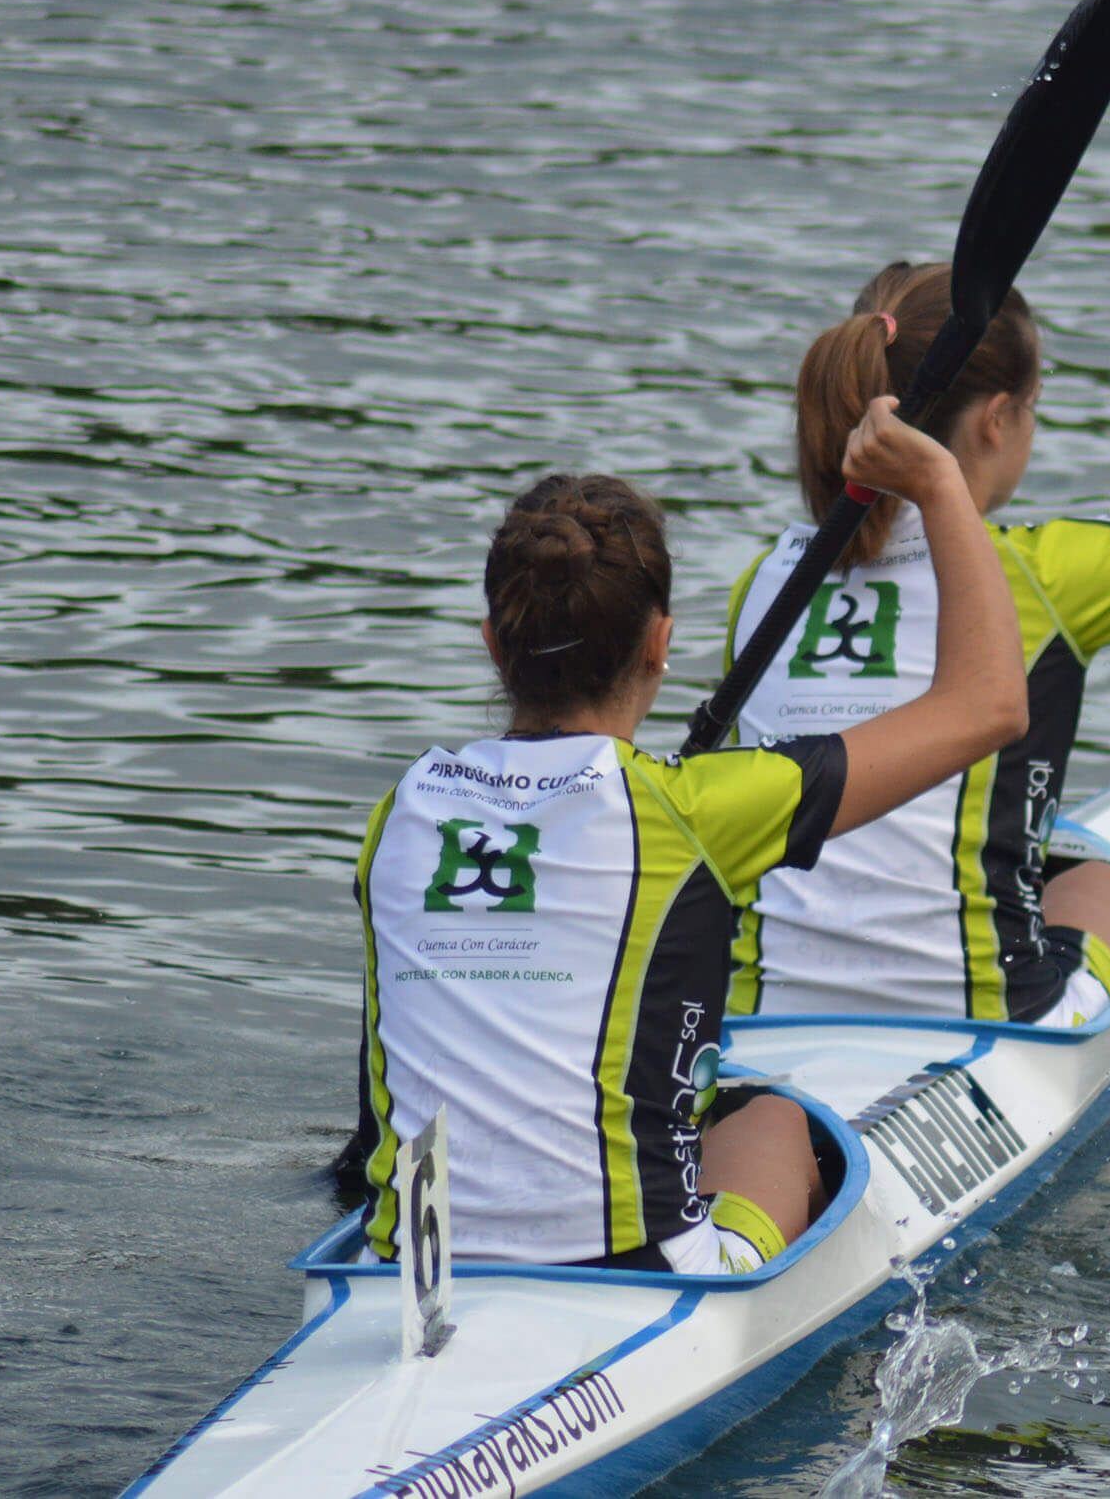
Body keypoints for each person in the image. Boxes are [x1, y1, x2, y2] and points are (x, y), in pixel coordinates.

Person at [343, 413, 1025, 1274]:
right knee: (775, 1120)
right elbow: (991, 704)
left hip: (405, 1274)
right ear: (661, 646)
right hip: (631, 1278)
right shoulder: (697, 809)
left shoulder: (400, 811)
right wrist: (938, 486)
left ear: (492, 645)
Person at [720, 211, 1110, 1027]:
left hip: (762, 1019)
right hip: (979, 1018)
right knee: (1101, 883)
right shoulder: (1047, 573)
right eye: (1033, 405)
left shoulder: (761, 587)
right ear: (996, 419)